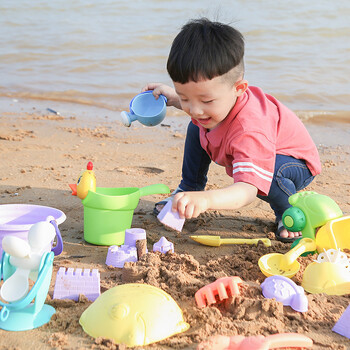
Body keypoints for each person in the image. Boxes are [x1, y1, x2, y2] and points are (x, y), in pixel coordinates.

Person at [142, 18, 321, 243]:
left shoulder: (250, 130)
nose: (195, 109)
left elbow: (246, 191)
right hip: (262, 148)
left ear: (239, 89)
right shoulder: (212, 105)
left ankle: (286, 211)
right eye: (186, 97)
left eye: (206, 100)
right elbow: (198, 103)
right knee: (196, 125)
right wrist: (175, 98)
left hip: (293, 163)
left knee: (271, 174)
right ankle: (189, 187)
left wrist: (206, 200)